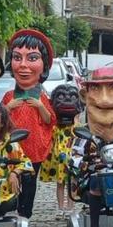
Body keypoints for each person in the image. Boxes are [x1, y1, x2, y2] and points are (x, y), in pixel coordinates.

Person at [70, 68, 113, 227]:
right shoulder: (84, 132)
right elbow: (74, 158)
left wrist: (110, 139)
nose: (105, 99)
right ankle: (94, 226)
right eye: (96, 89)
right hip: (95, 177)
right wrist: (89, 165)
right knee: (96, 182)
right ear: (85, 96)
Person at [4, 30, 55, 220]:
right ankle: (12, 208)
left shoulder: (42, 96)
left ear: (44, 66)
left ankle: (25, 213)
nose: (23, 65)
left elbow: (50, 121)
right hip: (13, 149)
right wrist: (8, 108)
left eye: (32, 58)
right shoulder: (9, 96)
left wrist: (41, 106)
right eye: (17, 58)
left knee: (30, 181)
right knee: (12, 178)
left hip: (35, 147)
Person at [46, 83, 83, 217]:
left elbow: (77, 132)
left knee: (72, 182)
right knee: (60, 183)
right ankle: (61, 207)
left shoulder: (75, 127)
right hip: (59, 157)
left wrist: (76, 118)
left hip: (72, 156)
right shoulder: (56, 126)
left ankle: (71, 206)